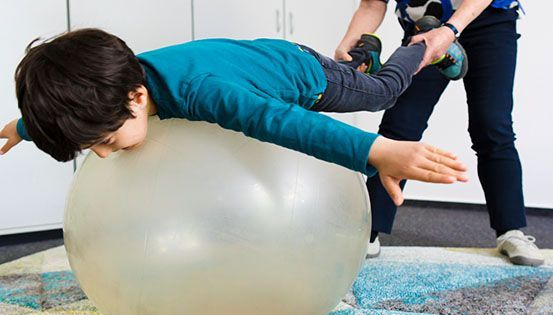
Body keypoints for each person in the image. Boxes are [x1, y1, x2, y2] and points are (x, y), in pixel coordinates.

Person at [0, 28, 467, 207]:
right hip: (255, 62)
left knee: (380, 94)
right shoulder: (112, 81)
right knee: (358, 75)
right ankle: (362, 53)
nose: (102, 154)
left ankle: (422, 47)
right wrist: (24, 127)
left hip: (303, 75)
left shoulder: (205, 93)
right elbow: (75, 108)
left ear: (137, 98)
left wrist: (376, 151)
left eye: (103, 139)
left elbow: (287, 124)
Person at [336, 0, 544, 266]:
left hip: (487, 20)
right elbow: (371, 4)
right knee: (400, 126)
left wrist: (449, 31)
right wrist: (349, 43)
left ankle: (511, 231)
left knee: (492, 125)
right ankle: (369, 231)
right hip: (424, 29)